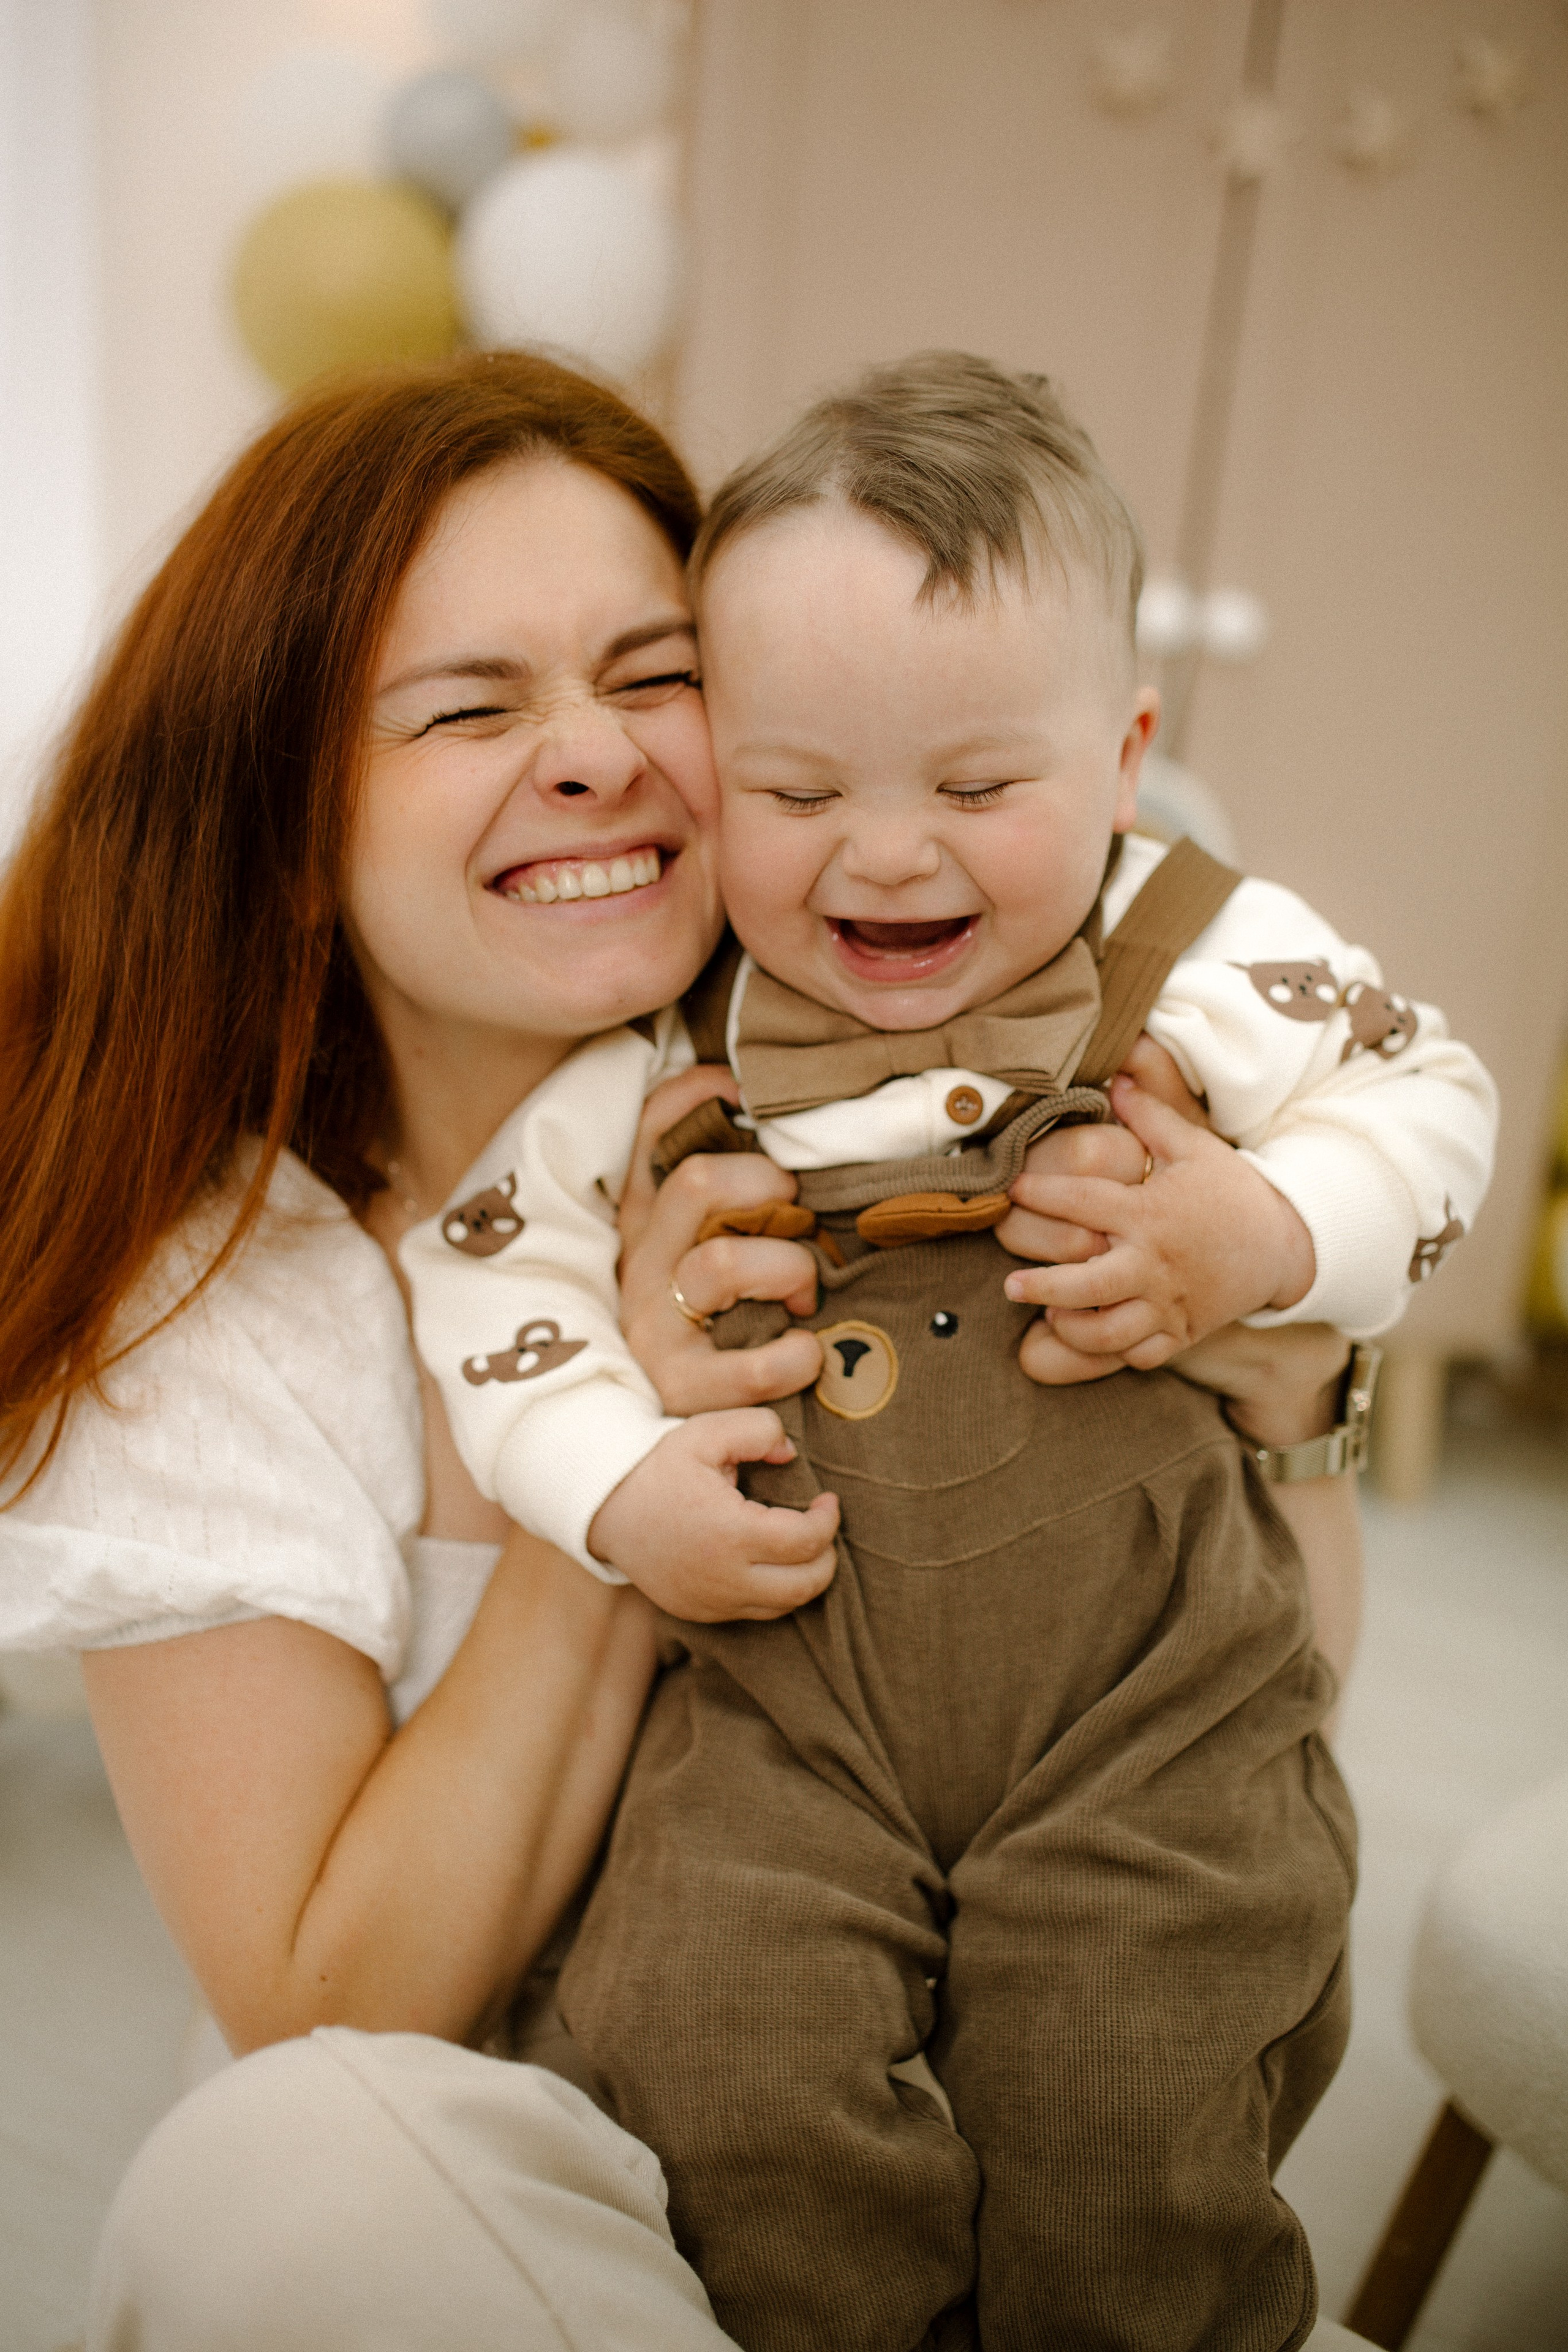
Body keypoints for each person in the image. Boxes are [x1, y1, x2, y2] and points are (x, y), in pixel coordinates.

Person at [0, 347, 1378, 2352]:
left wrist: (1283, 1378)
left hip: (989, 2089)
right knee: (267, 2180)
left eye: (656, 678)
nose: (598, 759)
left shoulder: (953, 1090)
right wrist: (623, 1453)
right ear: (293, 831)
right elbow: (331, 2020)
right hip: (497, 2178)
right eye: (470, 709)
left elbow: (1269, 1700)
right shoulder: (211, 1309)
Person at [400, 356, 1497, 2350]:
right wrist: (618, 1483)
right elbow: (487, 1275)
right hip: (790, 1713)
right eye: (801, 793)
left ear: (1128, 756)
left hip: (1153, 1701)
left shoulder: (1202, 947)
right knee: (716, 2037)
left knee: (1133, 2083)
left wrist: (1267, 1232)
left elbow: (1430, 1095)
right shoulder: (675, 1047)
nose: (887, 859)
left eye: (980, 791)